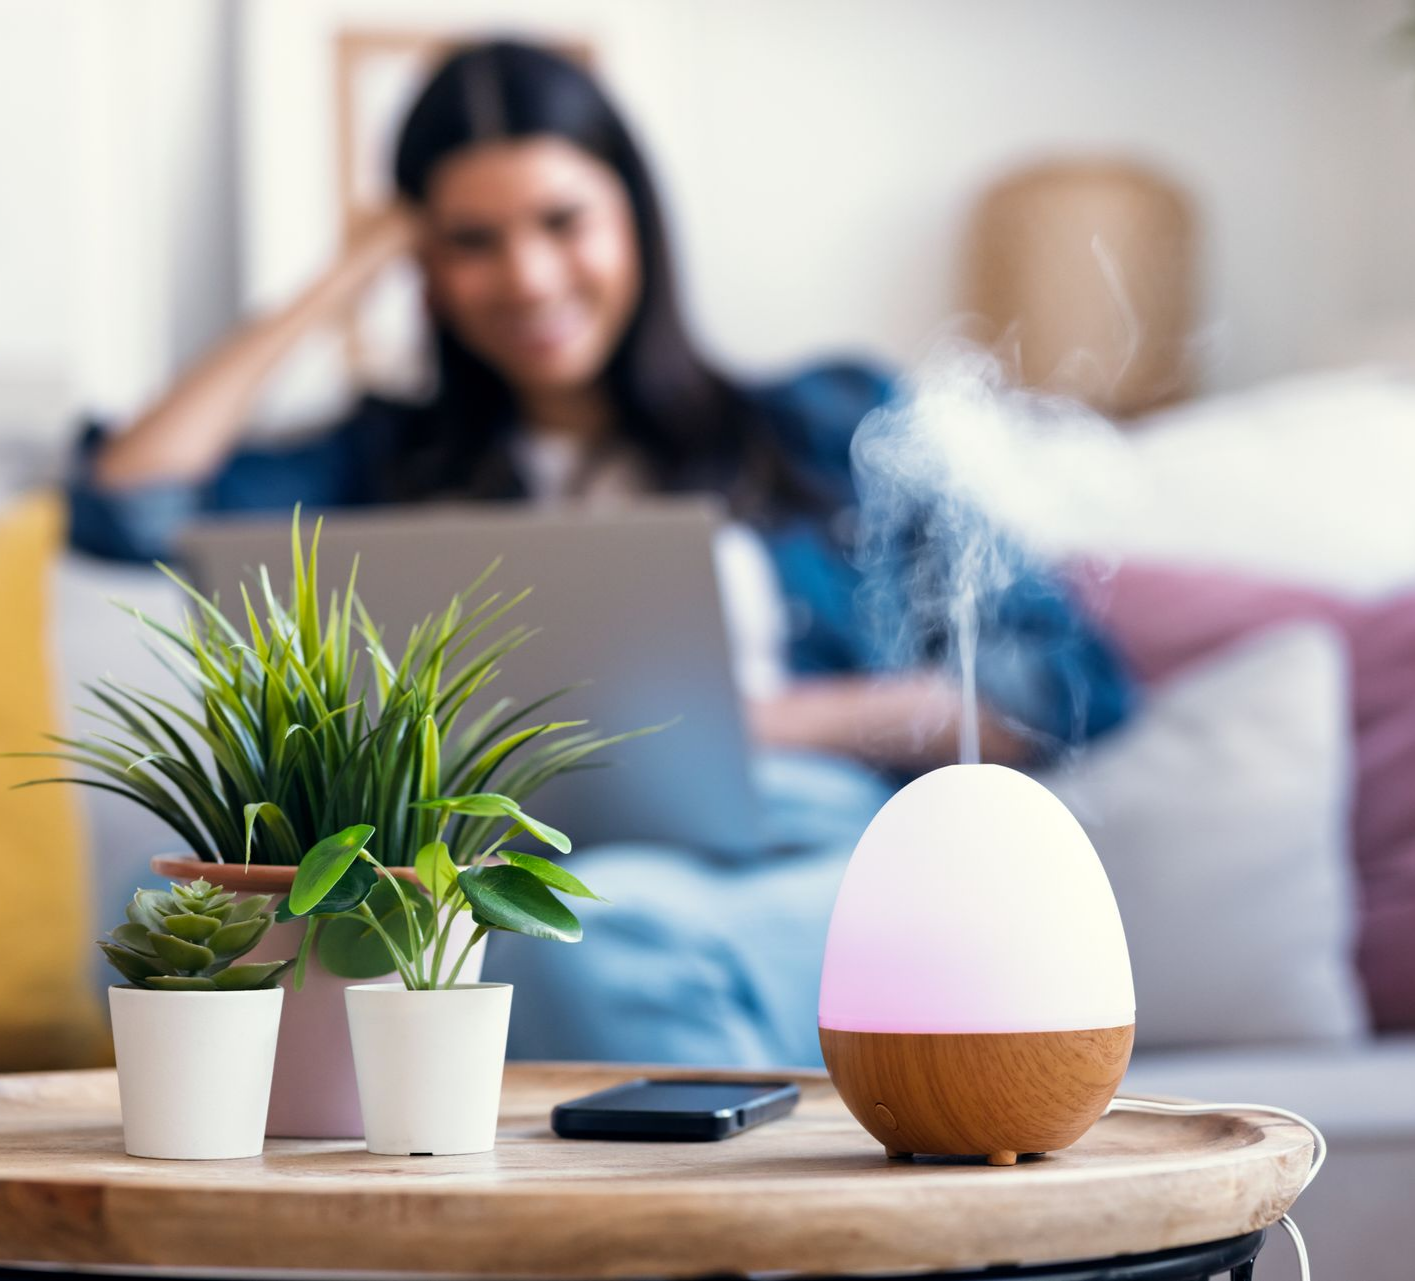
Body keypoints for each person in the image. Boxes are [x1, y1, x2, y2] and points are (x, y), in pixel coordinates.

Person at [68, 41, 1135, 1065]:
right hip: (479, 867)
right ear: (425, 264)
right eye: (470, 240)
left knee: (591, 942)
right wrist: (341, 277)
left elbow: (1060, 679)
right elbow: (128, 507)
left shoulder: (823, 427)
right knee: (181, 926)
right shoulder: (375, 463)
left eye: (561, 221)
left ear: (635, 217)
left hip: (776, 846)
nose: (528, 277)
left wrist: (750, 725)